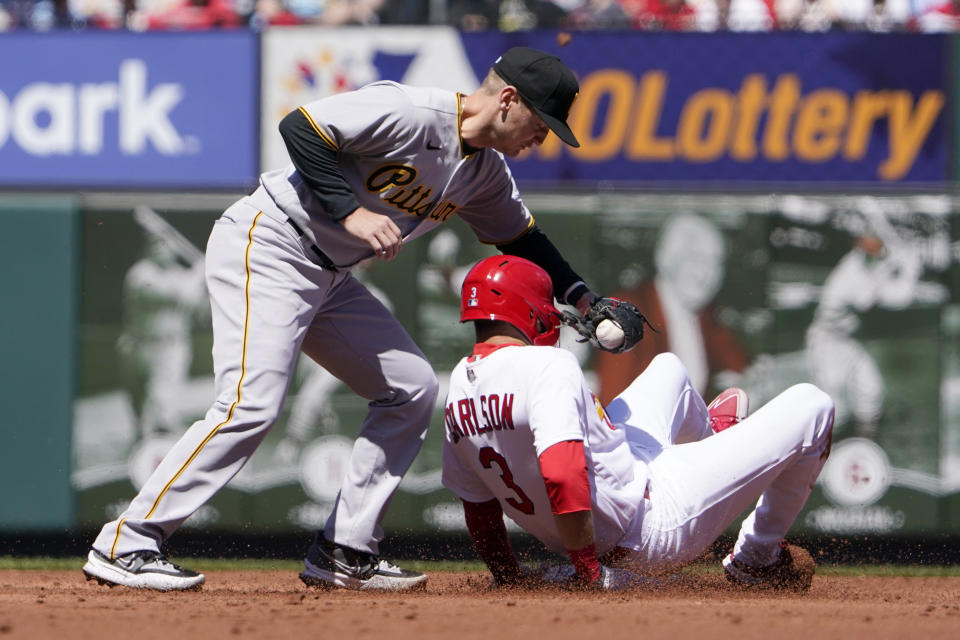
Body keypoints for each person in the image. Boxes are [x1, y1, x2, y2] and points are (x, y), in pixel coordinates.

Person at [82, 46, 606, 592]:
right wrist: (353, 212)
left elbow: (522, 237)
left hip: (330, 276)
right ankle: (128, 541)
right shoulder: (411, 111)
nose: (542, 138)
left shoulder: (486, 174)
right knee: (251, 404)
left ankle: (345, 550)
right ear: (507, 99)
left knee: (410, 387)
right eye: (541, 122)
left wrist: (587, 299)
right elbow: (302, 128)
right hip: (272, 240)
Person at [441, 255, 834, 591]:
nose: (551, 315)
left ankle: (713, 444)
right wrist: (591, 574)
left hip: (615, 496)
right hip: (651, 523)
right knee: (813, 406)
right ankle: (757, 555)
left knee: (669, 368)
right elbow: (561, 475)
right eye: (544, 305)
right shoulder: (549, 365)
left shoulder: (460, 385)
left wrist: (509, 577)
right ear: (528, 310)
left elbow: (479, 509)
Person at [594, 213, 750, 405]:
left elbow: (741, 368)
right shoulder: (626, 309)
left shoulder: (706, 316)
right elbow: (612, 402)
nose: (708, 271)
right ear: (665, 259)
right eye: (697, 258)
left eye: (716, 261)